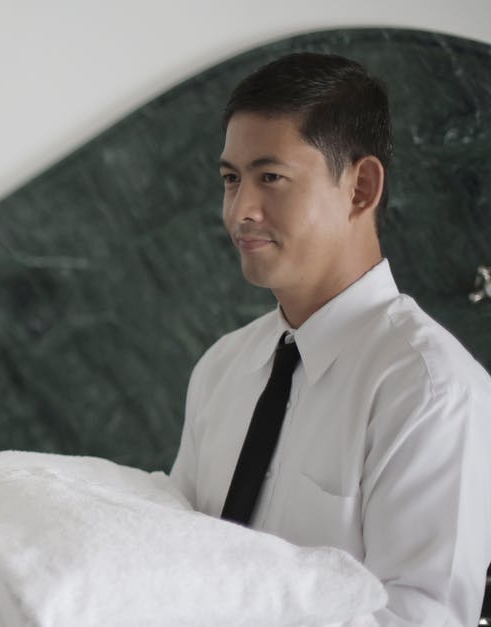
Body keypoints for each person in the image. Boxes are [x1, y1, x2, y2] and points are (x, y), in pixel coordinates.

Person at [169, 52, 491, 626]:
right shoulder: (221, 368)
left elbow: (419, 619)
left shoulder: (432, 393)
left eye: (270, 177)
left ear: (360, 188)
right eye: (230, 179)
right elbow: (169, 560)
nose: (240, 210)